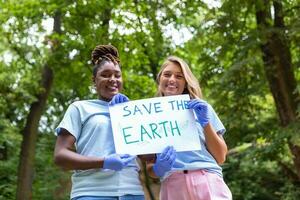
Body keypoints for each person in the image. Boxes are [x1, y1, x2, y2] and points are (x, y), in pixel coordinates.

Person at [54, 44, 145, 200]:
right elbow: (60, 155)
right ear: (94, 81)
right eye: (105, 75)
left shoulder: (134, 111)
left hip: (132, 192)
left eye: (117, 75)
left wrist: (161, 160)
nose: (113, 79)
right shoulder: (80, 108)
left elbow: (147, 154)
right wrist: (104, 162)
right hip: (91, 192)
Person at [146, 56, 232, 200]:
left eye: (179, 76)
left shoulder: (202, 108)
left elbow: (221, 156)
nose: (172, 79)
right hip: (173, 187)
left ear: (185, 83)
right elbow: (150, 169)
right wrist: (158, 168)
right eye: (167, 74)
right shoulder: (148, 116)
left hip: (208, 182)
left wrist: (206, 124)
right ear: (159, 78)